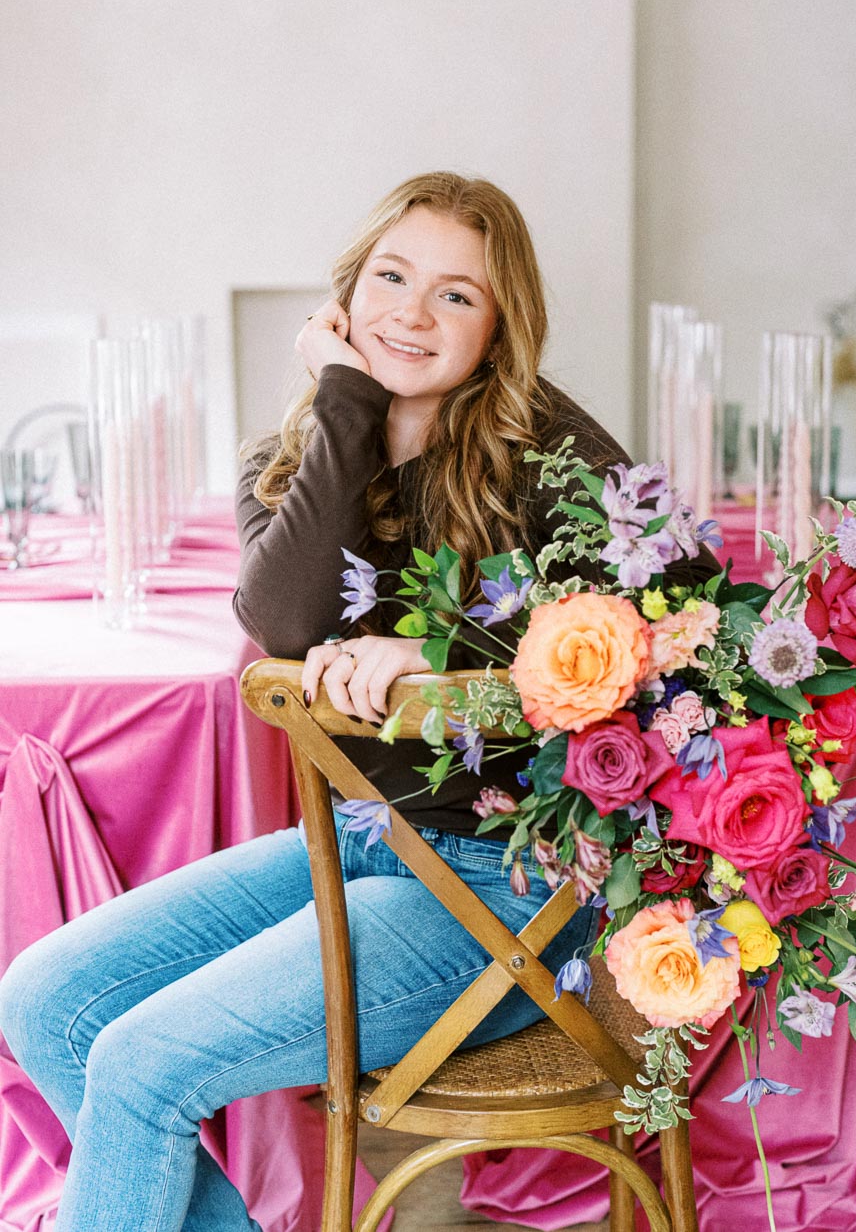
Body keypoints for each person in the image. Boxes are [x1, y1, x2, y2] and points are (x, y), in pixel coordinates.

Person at [0, 172, 717, 1232]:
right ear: (341, 302)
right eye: (391, 277)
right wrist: (348, 398)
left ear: (500, 326)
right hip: (364, 844)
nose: (413, 314)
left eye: (457, 295)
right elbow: (286, 624)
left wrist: (437, 654)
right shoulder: (297, 459)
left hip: (511, 895)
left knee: (144, 1065)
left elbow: (683, 622)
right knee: (45, 1000)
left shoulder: (549, 453)